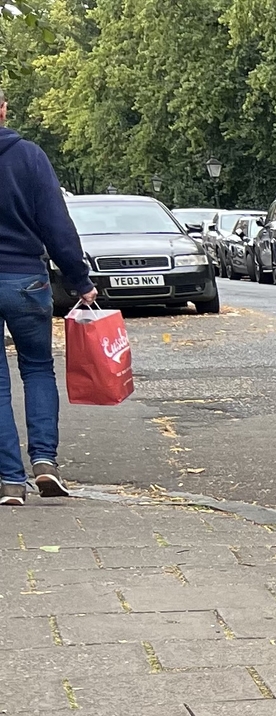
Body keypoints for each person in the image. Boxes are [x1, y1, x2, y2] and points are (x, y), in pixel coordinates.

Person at [0, 88, 95, 505]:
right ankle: (44, 463)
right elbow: (57, 224)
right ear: (3, 109)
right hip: (26, 280)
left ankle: (9, 482)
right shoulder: (30, 157)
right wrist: (79, 280)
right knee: (38, 369)